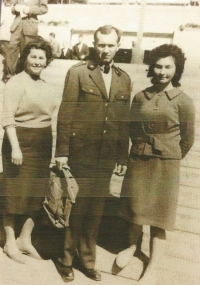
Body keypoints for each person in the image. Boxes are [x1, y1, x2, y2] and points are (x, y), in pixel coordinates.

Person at [54, 25, 131, 282]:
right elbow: (66, 113)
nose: (106, 50)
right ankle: (66, 260)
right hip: (80, 152)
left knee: (96, 211)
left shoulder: (124, 78)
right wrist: (62, 151)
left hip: (107, 156)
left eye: (111, 45)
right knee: (76, 208)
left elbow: (122, 120)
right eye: (101, 44)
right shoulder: (78, 73)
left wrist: (122, 156)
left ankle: (87, 261)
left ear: (118, 46)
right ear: (94, 45)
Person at [115, 44, 195, 284]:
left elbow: (187, 140)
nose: (162, 72)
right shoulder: (141, 96)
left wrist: (168, 155)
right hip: (140, 159)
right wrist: (141, 150)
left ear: (176, 69)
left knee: (160, 217)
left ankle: (153, 267)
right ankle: (131, 246)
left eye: (168, 67)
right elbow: (131, 127)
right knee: (135, 208)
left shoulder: (184, 101)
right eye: (158, 66)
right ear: (152, 68)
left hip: (166, 164)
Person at [1, 40, 58, 264]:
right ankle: (9, 241)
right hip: (20, 141)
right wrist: (15, 146)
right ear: (25, 58)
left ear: (47, 61)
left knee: (36, 194)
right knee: (14, 193)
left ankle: (25, 239)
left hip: (42, 141)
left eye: (41, 58)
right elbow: (7, 118)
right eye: (33, 57)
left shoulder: (45, 84)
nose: (37, 61)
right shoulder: (16, 82)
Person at [2, 0, 48, 83]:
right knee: (12, 49)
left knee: (27, 51)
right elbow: (12, 8)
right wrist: (15, 8)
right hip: (17, 25)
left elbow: (44, 9)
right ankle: (10, 76)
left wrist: (30, 9)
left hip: (30, 26)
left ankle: (27, 75)